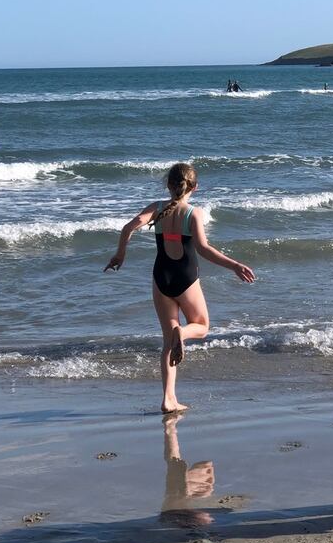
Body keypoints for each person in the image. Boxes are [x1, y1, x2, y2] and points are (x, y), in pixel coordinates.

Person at [105, 162, 256, 413]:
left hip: (161, 278)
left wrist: (120, 254)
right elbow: (203, 249)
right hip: (185, 278)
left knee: (167, 342)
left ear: (168, 184)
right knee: (202, 327)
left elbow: (128, 227)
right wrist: (235, 265)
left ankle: (168, 399)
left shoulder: (157, 209)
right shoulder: (192, 213)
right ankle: (183, 335)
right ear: (194, 188)